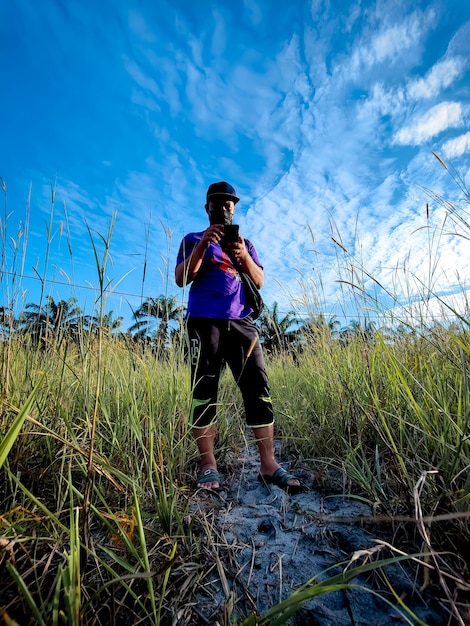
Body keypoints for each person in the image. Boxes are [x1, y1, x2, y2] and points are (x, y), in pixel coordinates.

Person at [175, 181, 301, 493]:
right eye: (216, 203)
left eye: (229, 203)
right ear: (207, 208)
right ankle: (208, 465)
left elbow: (258, 280)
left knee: (258, 388)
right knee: (204, 388)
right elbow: (182, 278)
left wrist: (243, 254)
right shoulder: (192, 239)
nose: (222, 207)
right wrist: (204, 243)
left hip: (243, 323)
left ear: (235, 207)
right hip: (204, 322)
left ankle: (268, 464)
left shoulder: (247, 243)